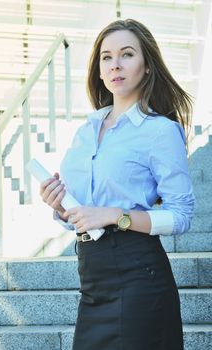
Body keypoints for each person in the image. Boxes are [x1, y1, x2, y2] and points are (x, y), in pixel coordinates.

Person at [40, 18, 194, 350]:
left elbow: (181, 216)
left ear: (147, 66)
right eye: (107, 57)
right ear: (98, 69)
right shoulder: (86, 130)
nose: (116, 64)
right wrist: (60, 205)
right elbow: (84, 212)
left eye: (127, 54)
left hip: (138, 277)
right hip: (93, 279)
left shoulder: (160, 131)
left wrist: (115, 214)